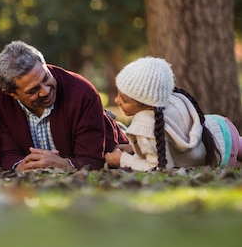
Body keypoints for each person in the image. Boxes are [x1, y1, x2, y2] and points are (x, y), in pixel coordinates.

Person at [0, 41, 127, 171]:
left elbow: (93, 160)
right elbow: (7, 154)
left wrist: (64, 164)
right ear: (11, 94)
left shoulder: (82, 93)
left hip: (111, 141)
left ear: (45, 65)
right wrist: (23, 167)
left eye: (45, 78)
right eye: (33, 90)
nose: (45, 91)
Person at [104, 56, 242, 171]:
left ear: (147, 104)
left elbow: (158, 167)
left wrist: (120, 159)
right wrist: (133, 147)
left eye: (124, 99)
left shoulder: (145, 121)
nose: (116, 100)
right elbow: (165, 142)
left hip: (222, 151)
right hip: (221, 129)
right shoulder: (170, 100)